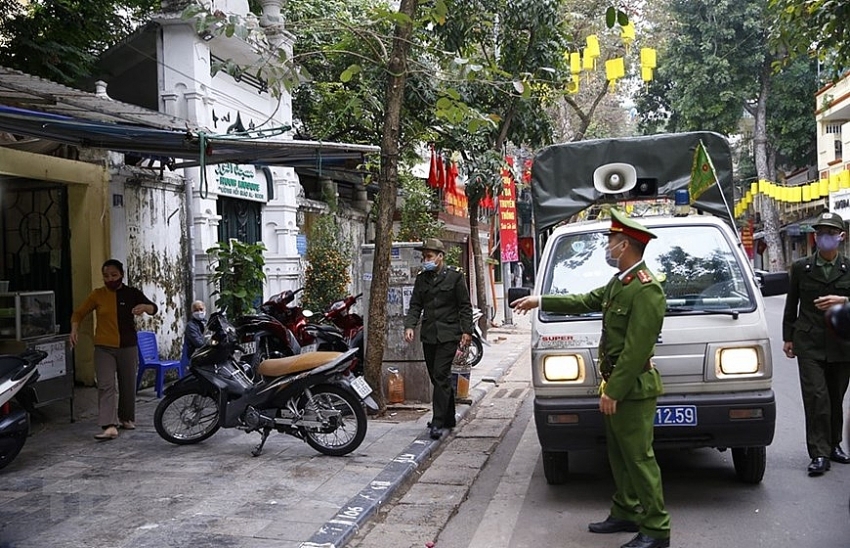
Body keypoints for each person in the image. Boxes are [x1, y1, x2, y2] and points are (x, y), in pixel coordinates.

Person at [511, 209, 670, 548]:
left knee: (639, 458)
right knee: (620, 454)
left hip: (632, 389)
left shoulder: (646, 290)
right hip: (617, 386)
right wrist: (541, 299)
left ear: (624, 245)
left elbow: (635, 351)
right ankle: (626, 511)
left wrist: (613, 391)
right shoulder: (620, 283)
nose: (608, 246)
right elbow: (584, 300)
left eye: (611, 241)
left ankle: (656, 528)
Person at [782, 210, 850, 477]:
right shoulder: (801, 268)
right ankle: (819, 453)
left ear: (841, 237)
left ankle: (834, 445)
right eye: (820, 233)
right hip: (808, 341)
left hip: (842, 342)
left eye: (830, 233)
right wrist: (788, 337)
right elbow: (791, 304)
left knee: (835, 397)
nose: (825, 238)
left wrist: (843, 301)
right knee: (817, 397)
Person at [70, 259, 158, 440]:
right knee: (106, 385)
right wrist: (74, 329)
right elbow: (78, 313)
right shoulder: (97, 295)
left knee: (127, 384)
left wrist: (145, 307)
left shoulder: (132, 293)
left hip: (128, 346)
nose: (110, 279)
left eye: (114, 275)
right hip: (104, 347)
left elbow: (153, 308)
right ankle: (109, 425)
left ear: (122, 275)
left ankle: (126, 417)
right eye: (106, 276)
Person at [404, 238, 474, 440]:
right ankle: (449, 416)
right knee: (436, 378)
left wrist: (466, 331)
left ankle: (437, 422)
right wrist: (410, 325)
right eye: (424, 256)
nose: (425, 260)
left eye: (429, 256)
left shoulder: (454, 277)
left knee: (441, 375)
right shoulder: (422, 279)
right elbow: (416, 304)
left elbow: (464, 306)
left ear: (440, 257)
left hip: (448, 334)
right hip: (429, 335)